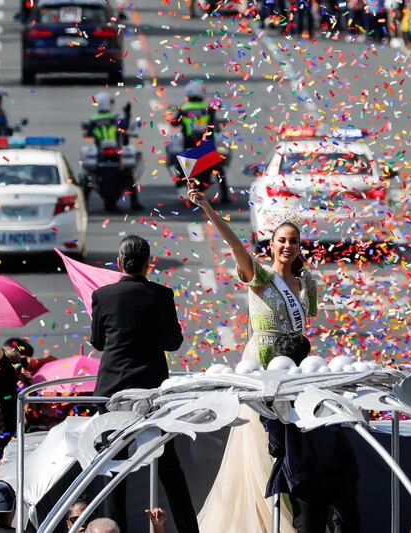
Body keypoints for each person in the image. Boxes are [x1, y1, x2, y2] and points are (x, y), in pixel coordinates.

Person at [189, 186, 318, 532]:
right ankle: (269, 520)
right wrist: (209, 209)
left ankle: (292, 516)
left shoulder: (307, 283)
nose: (287, 246)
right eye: (281, 240)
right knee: (265, 447)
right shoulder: (260, 276)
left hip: (294, 370)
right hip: (261, 366)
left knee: (295, 446)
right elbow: (234, 245)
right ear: (271, 244)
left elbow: (306, 329)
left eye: (293, 240)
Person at [90, 235, 198, 533]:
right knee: (168, 466)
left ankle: (114, 529)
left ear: (120, 263)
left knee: (113, 468)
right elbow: (173, 342)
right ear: (148, 264)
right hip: (151, 391)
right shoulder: (162, 295)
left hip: (113, 390)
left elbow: (98, 341)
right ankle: (189, 529)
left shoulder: (103, 295)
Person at [262, 333, 359, 533]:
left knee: (309, 526)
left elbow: (277, 442)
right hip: (338, 465)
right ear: (307, 355)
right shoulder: (324, 379)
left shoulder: (274, 392)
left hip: (304, 470)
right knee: (346, 523)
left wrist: (279, 450)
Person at [171, 80, 229, 203]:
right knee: (219, 168)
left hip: (189, 147)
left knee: (177, 165)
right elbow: (214, 125)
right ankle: (225, 196)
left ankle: (180, 186)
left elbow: (174, 122)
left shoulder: (183, 109)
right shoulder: (208, 109)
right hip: (206, 147)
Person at [84, 91, 143, 213]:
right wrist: (127, 113)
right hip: (116, 150)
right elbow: (125, 126)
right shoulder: (115, 117)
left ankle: (84, 203)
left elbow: (89, 133)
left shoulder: (93, 120)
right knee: (128, 175)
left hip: (100, 152)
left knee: (88, 177)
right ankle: (135, 202)